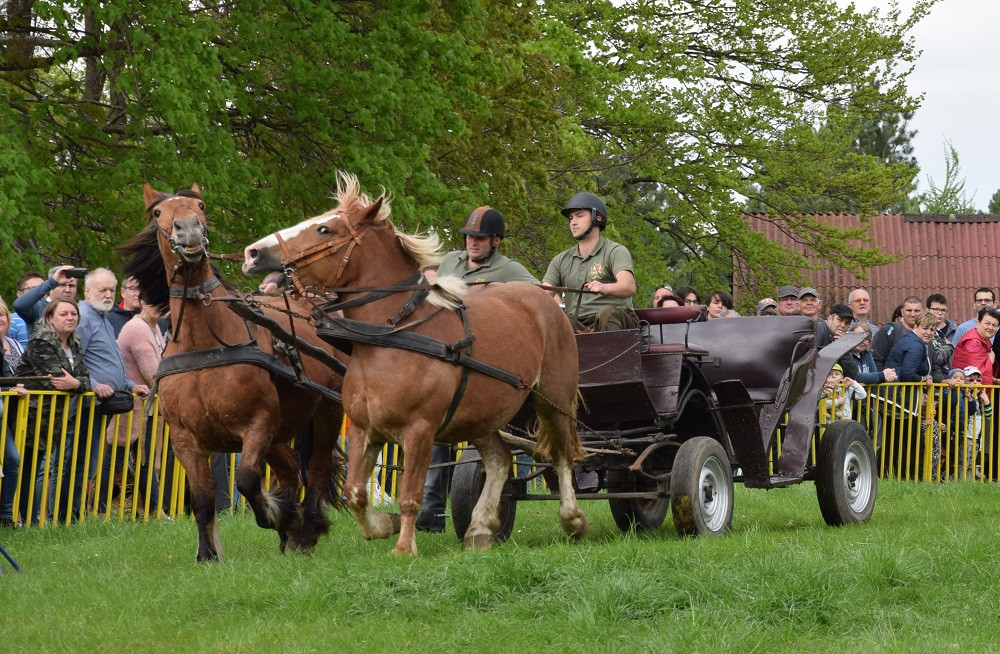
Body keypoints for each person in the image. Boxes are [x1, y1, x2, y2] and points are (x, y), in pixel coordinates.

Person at [417, 207, 537, 533]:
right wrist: (429, 279)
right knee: (435, 430)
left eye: (480, 238)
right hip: (446, 357)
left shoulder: (509, 269)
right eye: (469, 236)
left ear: (495, 240)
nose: (472, 242)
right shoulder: (450, 261)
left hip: (486, 360)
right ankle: (430, 513)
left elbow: (540, 296)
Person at [63, 268, 149, 522]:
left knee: (88, 462)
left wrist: (130, 384)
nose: (109, 295)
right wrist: (93, 384)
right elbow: (73, 360)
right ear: (88, 291)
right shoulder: (84, 318)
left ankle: (76, 515)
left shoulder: (102, 318)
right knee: (75, 462)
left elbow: (112, 361)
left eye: (111, 290)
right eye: (103, 290)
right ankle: (66, 517)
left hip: (101, 404)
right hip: (84, 403)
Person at [14, 299, 91, 525]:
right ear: (50, 318)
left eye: (74, 314)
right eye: (64, 314)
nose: (70, 318)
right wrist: (77, 383)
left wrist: (76, 384)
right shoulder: (41, 341)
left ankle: (33, 519)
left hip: (54, 419)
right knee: (28, 468)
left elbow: (85, 378)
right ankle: (24, 519)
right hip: (29, 416)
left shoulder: (75, 343)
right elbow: (55, 380)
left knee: (41, 468)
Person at [105, 299, 166, 518]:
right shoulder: (137, 328)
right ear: (143, 303)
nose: (162, 308)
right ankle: (99, 509)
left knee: (145, 461)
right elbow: (153, 373)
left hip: (144, 406)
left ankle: (154, 510)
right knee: (114, 459)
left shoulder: (153, 326)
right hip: (130, 406)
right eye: (157, 303)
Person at [542, 192, 638, 332]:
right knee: (553, 318)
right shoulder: (560, 260)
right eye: (571, 218)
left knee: (606, 314)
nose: (573, 222)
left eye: (579, 216)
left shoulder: (615, 251)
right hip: (577, 323)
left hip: (617, 321)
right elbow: (543, 295)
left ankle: (608, 347)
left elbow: (629, 286)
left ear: (597, 217)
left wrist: (604, 288)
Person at [0, 300, 27, 527]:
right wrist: (9, 388)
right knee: (12, 458)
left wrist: (21, 385)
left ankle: (7, 516)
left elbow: (23, 374)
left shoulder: (15, 344)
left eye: (2, 314)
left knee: (13, 460)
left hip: (13, 412)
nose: (0, 319)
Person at [12, 265, 79, 336]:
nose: (68, 290)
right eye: (62, 285)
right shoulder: (39, 308)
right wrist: (52, 282)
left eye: (71, 286)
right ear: (50, 288)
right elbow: (19, 305)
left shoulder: (77, 310)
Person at [871, 296, 923, 371]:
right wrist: (884, 376)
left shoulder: (928, 334)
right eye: (909, 310)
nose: (913, 314)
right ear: (902, 312)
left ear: (923, 312)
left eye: (917, 311)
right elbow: (875, 359)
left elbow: (934, 365)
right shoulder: (888, 331)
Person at [951, 307, 1000, 385]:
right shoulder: (973, 342)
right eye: (987, 323)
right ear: (978, 323)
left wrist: (993, 380)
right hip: (968, 391)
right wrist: (990, 360)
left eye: (994, 325)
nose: (990, 328)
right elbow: (975, 375)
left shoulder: (982, 340)